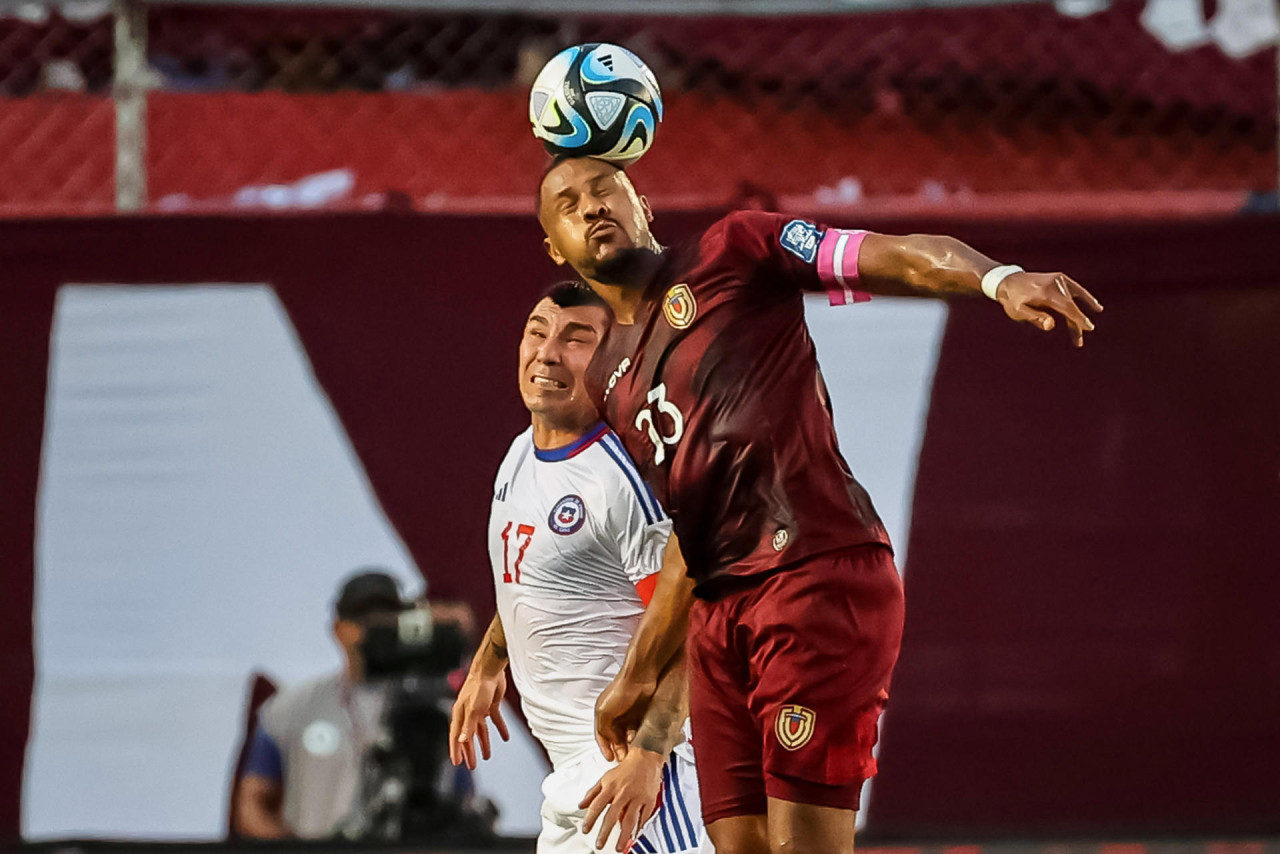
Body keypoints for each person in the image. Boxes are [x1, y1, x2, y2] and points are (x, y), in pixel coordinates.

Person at [535, 155, 1103, 854]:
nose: (592, 207)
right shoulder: (609, 381)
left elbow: (894, 257)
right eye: (569, 203)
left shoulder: (733, 251)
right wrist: (645, 701)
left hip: (814, 575)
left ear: (642, 205)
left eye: (605, 191)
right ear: (554, 245)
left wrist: (997, 279)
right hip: (719, 620)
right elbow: (692, 538)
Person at [449, 282, 708, 854]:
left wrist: (648, 757)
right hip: (572, 776)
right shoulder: (520, 453)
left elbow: (696, 631)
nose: (547, 353)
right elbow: (539, 577)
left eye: (576, 339)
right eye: (537, 332)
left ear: (617, 361)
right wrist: (490, 662)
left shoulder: (623, 479)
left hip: (633, 775)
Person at [235, 570, 410, 839]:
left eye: (387, 617)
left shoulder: (428, 710)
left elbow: (461, 800)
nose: (375, 628)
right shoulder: (291, 707)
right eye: (363, 619)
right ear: (339, 628)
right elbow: (251, 802)